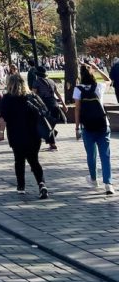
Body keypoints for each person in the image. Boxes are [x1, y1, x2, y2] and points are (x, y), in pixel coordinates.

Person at [0, 73, 49, 199]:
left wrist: (1, 132)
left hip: (16, 134)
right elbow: (44, 111)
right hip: (33, 134)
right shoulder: (32, 96)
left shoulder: (7, 98)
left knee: (19, 160)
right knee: (34, 160)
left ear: (10, 84)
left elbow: (3, 117)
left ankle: (21, 186)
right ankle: (41, 184)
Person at [74, 62, 113, 195]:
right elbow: (109, 80)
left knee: (91, 155)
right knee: (105, 155)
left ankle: (93, 179)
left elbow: (77, 109)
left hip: (87, 126)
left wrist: (77, 128)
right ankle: (108, 184)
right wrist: (98, 69)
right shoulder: (99, 86)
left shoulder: (78, 89)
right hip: (103, 125)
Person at [32, 65, 65, 151]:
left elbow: (34, 95)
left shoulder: (36, 82)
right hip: (54, 104)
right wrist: (64, 104)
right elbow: (57, 93)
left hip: (44, 105)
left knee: (46, 125)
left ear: (38, 74)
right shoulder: (51, 81)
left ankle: (53, 145)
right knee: (50, 125)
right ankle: (51, 143)